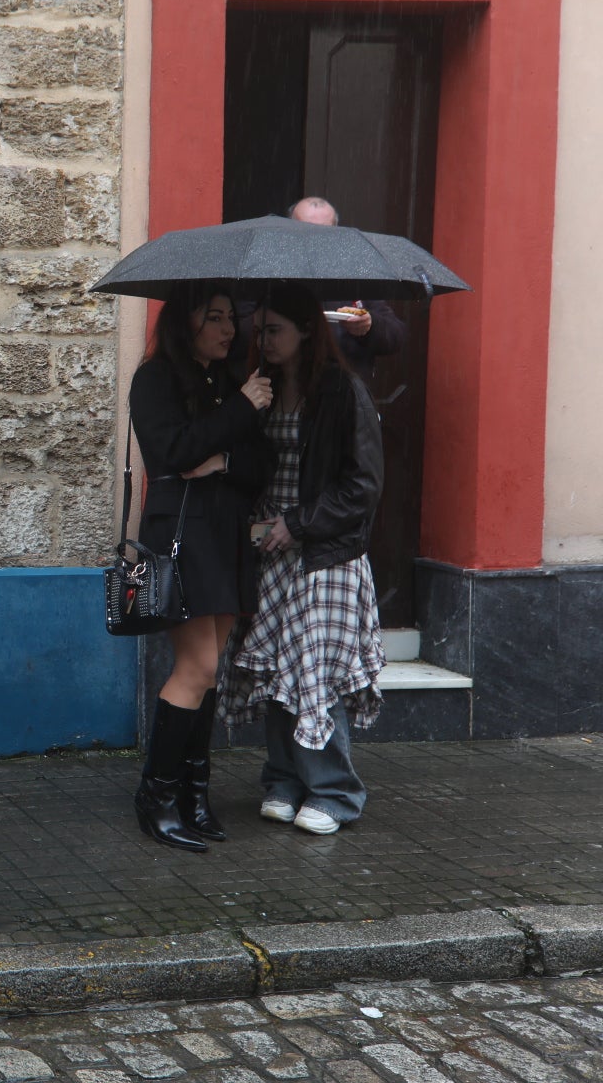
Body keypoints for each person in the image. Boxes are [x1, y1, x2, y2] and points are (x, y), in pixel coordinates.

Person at [222, 283, 386, 836]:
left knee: (314, 672)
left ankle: (335, 792)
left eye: (275, 331)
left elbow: (362, 486)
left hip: (324, 553)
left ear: (307, 332)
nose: (262, 340)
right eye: (260, 330)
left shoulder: (342, 391)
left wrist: (299, 523)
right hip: (269, 548)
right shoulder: (259, 389)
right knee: (273, 671)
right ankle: (284, 780)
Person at [128, 281, 272, 853]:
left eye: (231, 318)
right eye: (215, 318)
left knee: (209, 673)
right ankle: (156, 797)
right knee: (197, 667)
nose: (229, 329)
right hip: (181, 535)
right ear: (186, 322)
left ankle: (193, 794)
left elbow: (258, 464)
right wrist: (237, 412)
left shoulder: (225, 384)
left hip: (223, 534)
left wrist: (223, 456)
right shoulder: (156, 378)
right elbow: (173, 453)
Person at [287, 197, 407, 381]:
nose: (316, 239)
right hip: (290, 385)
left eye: (325, 232)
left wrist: (369, 326)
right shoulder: (275, 274)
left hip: (347, 390)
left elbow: (395, 336)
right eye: (306, 230)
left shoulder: (356, 275)